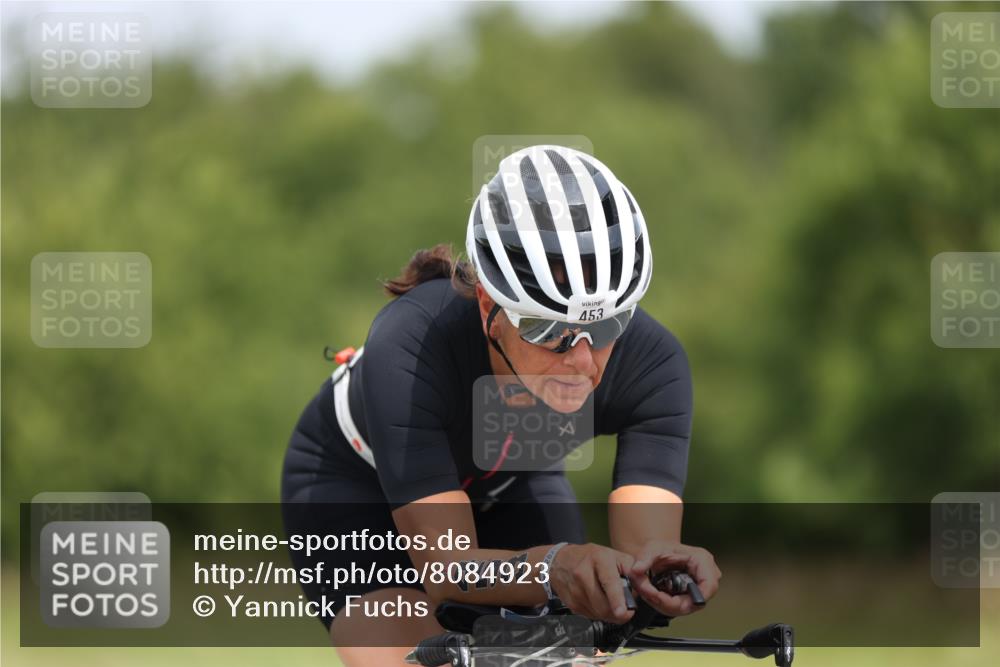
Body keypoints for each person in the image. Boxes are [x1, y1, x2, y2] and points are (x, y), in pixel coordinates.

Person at [281, 145, 721, 666]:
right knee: (424, 660)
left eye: (606, 326)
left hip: (513, 479)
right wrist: (553, 569)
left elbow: (644, 553)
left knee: (568, 655)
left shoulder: (653, 364)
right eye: (548, 329)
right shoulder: (411, 345)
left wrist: (657, 575)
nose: (582, 360)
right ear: (489, 305)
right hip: (355, 490)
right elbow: (449, 575)